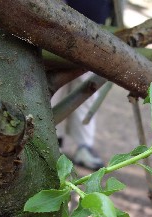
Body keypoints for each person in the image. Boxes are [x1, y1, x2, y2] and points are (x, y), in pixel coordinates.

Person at [51, 0, 114, 170]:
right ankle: (50, 139)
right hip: (58, 17)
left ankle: (84, 145)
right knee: (52, 85)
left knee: (87, 86)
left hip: (96, 24)